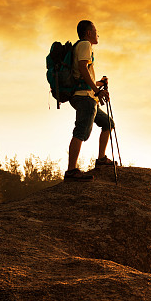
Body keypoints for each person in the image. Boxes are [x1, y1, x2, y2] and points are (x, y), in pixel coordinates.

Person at [64, 20, 115, 182]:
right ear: (88, 33)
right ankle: (71, 171)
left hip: (85, 95)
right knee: (81, 131)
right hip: (85, 97)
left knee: (108, 123)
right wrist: (97, 91)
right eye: (95, 30)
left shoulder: (80, 46)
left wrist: (100, 83)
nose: (97, 33)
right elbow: (82, 68)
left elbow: (84, 75)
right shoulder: (85, 44)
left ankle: (101, 159)